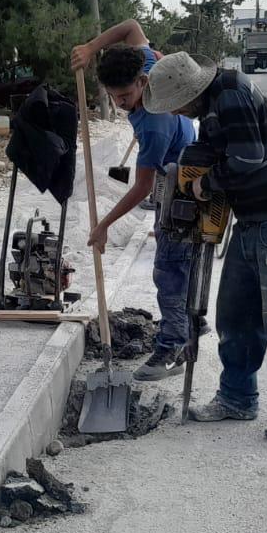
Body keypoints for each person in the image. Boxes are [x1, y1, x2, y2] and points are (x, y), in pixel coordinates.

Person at [142, 51, 267, 442]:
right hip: (251, 222)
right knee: (236, 318)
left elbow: (247, 157)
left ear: (188, 93)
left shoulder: (230, 95)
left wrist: (203, 185)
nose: (176, 112)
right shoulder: (211, 107)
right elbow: (213, 155)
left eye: (175, 104)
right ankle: (237, 397)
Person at [70, 20, 197, 381]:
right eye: (113, 97)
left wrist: (103, 226)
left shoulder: (155, 121)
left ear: (142, 81)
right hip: (175, 166)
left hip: (184, 182)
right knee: (176, 262)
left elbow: (142, 188)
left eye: (124, 97)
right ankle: (189, 324)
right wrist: (91, 48)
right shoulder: (144, 60)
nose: (120, 104)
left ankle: (174, 346)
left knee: (169, 268)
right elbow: (130, 26)